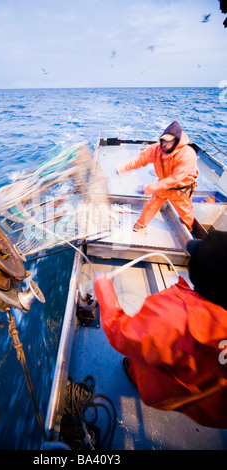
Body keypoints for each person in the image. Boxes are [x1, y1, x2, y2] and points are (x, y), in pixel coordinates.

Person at [94, 230, 227, 428]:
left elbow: (122, 333)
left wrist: (102, 286)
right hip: (213, 406)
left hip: (169, 393)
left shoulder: (175, 316)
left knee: (140, 363)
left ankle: (134, 375)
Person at [116, 121, 199, 232]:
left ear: (176, 142)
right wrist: (123, 168)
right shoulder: (156, 148)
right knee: (151, 205)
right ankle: (141, 223)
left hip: (180, 190)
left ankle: (188, 228)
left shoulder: (187, 154)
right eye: (163, 140)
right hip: (162, 186)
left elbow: (175, 179)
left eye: (168, 141)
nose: (164, 144)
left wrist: (147, 188)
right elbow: (140, 160)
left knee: (185, 212)